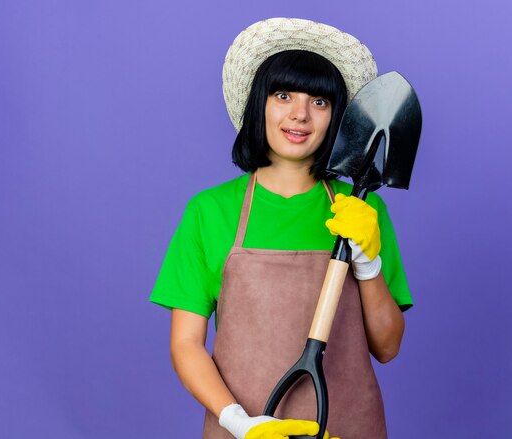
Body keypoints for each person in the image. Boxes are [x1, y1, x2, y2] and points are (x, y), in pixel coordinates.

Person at [150, 17, 413, 439]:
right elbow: (185, 345)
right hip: (244, 427)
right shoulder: (210, 211)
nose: (300, 115)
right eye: (283, 95)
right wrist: (240, 423)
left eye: (320, 102)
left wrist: (368, 263)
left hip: (347, 426)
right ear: (260, 104)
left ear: (339, 118)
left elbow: (387, 346)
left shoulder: (364, 210)